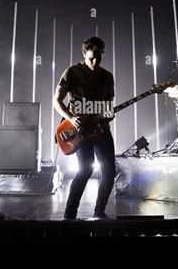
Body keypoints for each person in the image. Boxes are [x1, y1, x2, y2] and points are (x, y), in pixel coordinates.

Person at [53, 36, 115, 220]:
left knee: (110, 172)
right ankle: (69, 215)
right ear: (84, 53)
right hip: (79, 130)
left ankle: (99, 212)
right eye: (91, 58)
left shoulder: (107, 77)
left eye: (99, 57)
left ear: (103, 54)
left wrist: (108, 114)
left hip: (101, 129)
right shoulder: (72, 72)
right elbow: (56, 100)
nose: (95, 62)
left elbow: (109, 104)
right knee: (85, 170)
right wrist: (71, 118)